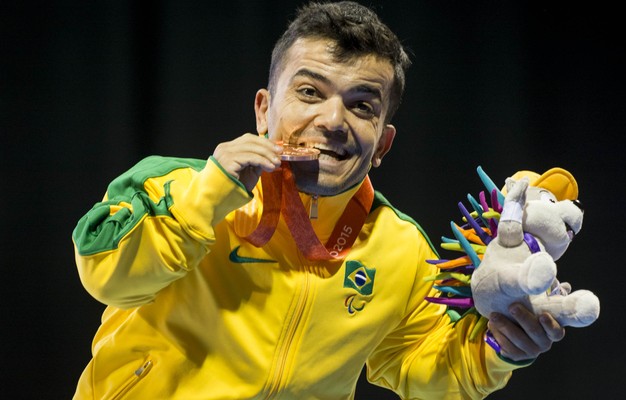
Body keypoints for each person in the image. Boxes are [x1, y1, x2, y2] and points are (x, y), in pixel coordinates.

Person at [72, 1, 565, 399]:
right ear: (264, 110)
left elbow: (423, 365)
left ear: (382, 145)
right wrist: (210, 195)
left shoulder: (401, 249)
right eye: (309, 92)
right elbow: (107, 276)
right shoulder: (169, 186)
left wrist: (500, 345)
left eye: (361, 105)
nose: (333, 120)